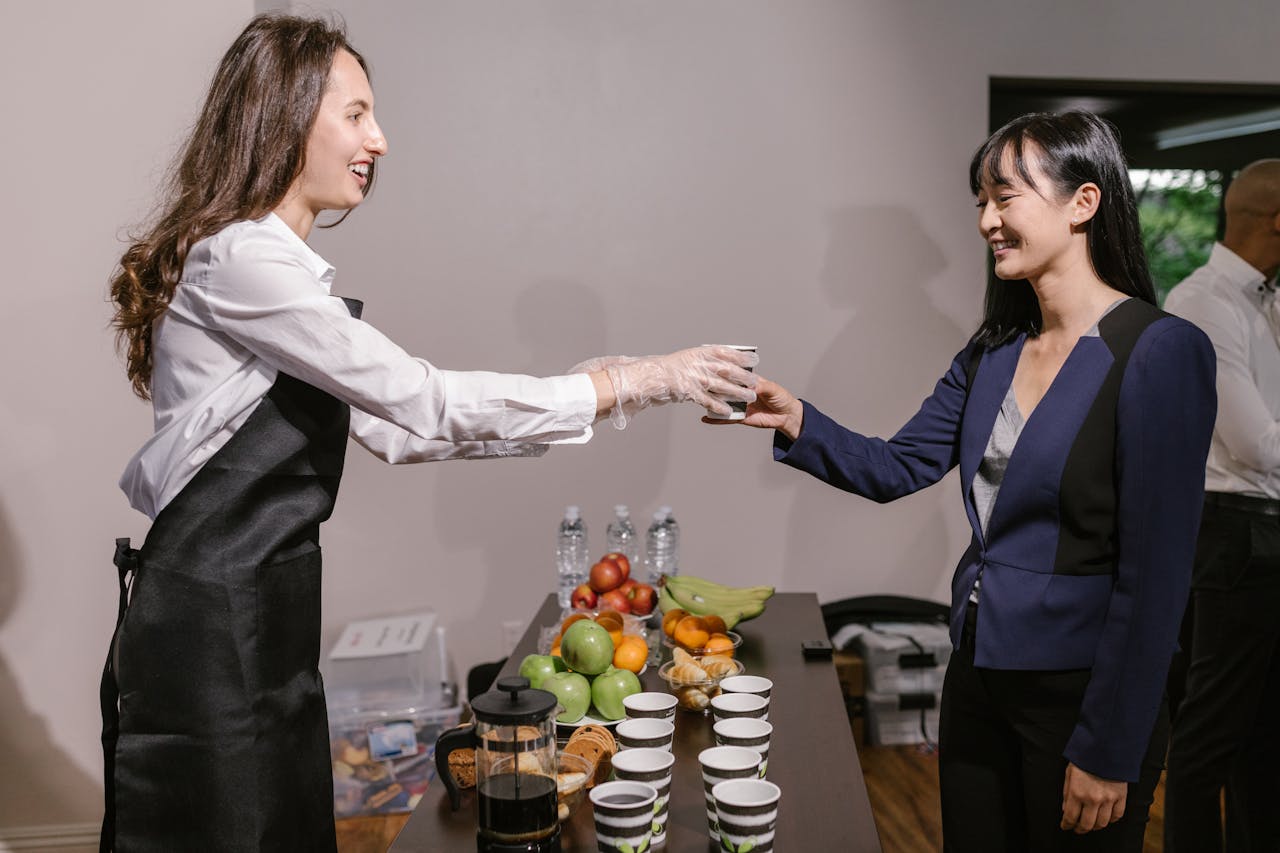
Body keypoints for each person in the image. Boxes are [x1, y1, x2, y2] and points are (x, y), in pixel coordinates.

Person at [101, 14, 756, 853]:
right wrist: (631, 382)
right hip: (206, 627)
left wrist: (600, 394)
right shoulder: (240, 261)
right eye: (356, 113)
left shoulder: (280, 280)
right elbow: (423, 399)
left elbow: (403, 430)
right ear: (285, 117)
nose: (380, 137)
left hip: (266, 612)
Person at [713, 111, 1216, 851]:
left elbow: (1157, 579)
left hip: (1081, 695)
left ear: (1083, 203)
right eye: (980, 201)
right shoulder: (995, 350)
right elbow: (897, 465)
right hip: (978, 676)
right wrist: (796, 419)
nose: (987, 220)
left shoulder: (1160, 350)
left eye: (1006, 197)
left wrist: (1109, 747)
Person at [1163, 159, 1280, 853]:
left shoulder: (1268, 301)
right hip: (1234, 536)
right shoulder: (1202, 303)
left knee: (1267, 739)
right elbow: (1255, 443)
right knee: (1208, 737)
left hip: (1267, 534)